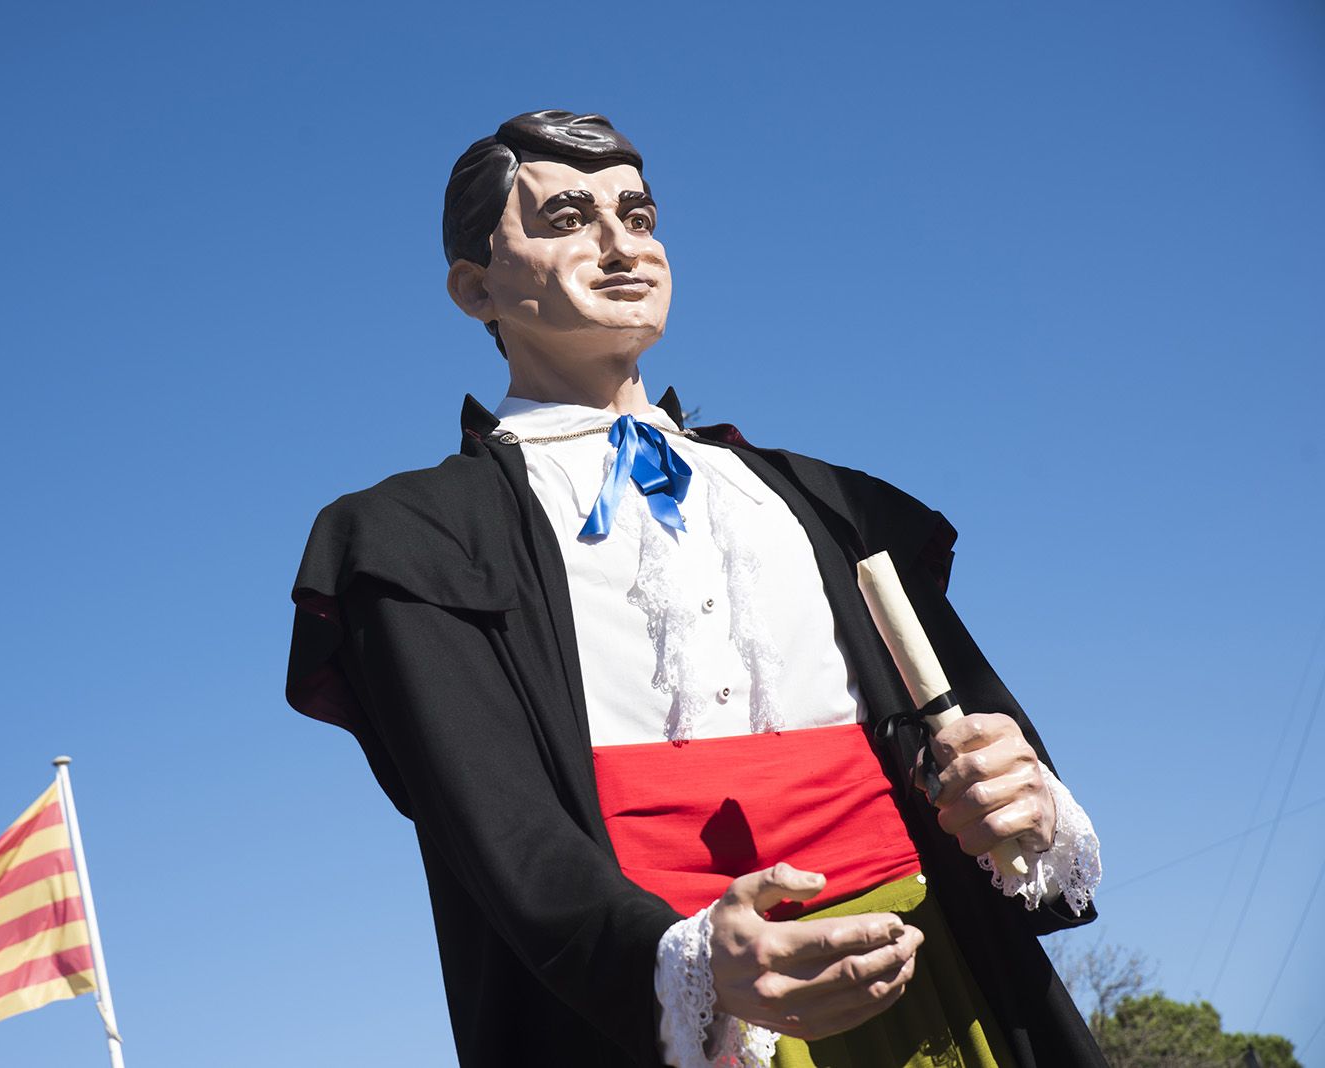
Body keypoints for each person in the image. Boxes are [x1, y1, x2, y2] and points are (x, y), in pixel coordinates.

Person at [286, 110, 1104, 1068]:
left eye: (638, 214)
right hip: (672, 1025)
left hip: (930, 970)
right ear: (476, 289)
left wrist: (1029, 804)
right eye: (565, 219)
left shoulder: (828, 502)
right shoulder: (408, 539)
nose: (619, 242)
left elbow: (977, 742)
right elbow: (499, 830)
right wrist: (687, 969)